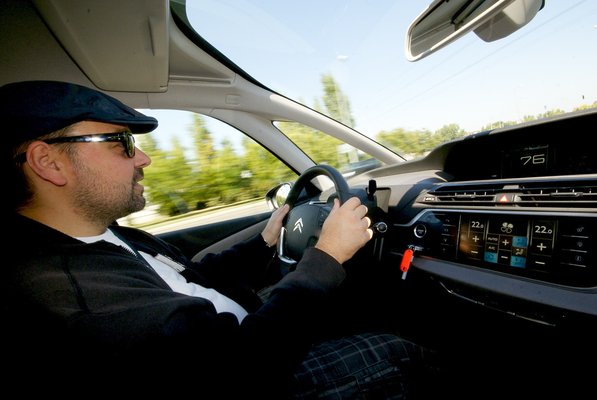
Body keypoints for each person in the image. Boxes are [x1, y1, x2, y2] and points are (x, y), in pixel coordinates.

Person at [2, 80, 438, 398]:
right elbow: (240, 370)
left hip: (244, 332)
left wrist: (264, 241)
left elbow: (191, 277)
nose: (144, 158)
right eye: (121, 143)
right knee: (397, 349)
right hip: (255, 366)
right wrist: (325, 257)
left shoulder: (104, 235)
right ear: (48, 162)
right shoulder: (72, 296)